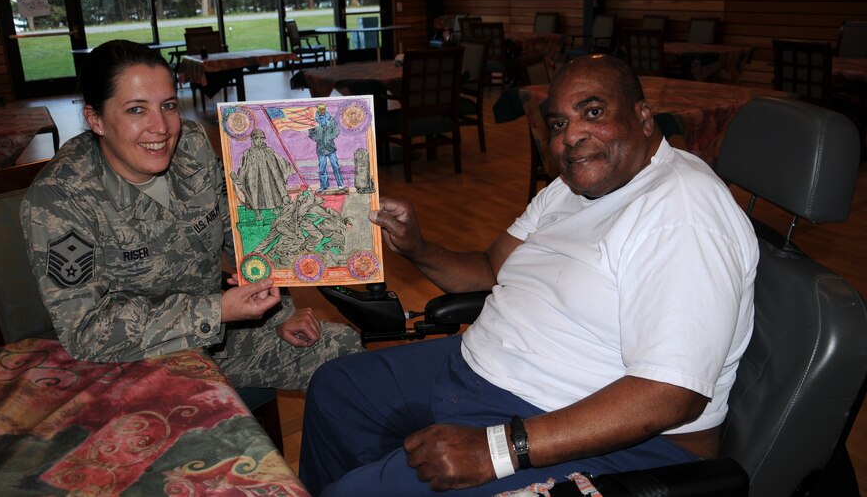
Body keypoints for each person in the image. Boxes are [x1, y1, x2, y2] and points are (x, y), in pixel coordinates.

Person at [298, 54, 759, 496]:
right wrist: (418, 248)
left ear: (643, 117)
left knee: (358, 492)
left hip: (604, 433)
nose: (570, 138)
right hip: (484, 367)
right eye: (558, 123)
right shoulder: (572, 184)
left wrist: (500, 448)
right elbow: (489, 270)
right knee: (337, 390)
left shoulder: (683, 212)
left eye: (592, 112)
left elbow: (671, 394)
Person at [21, 40, 362, 392]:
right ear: (97, 119)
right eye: (136, 110)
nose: (162, 128)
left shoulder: (192, 146)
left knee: (345, 356)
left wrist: (280, 311)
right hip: (134, 363)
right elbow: (86, 331)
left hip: (223, 337)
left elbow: (240, 231)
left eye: (168, 105)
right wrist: (216, 311)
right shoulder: (60, 198)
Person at [230, 128, 294, 221]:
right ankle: (257, 213)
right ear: (253, 140)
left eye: (261, 138)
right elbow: (243, 167)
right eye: (257, 138)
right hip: (254, 178)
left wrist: (287, 166)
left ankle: (274, 208)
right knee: (255, 193)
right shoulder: (248, 153)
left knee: (271, 190)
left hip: (268, 176)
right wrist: (241, 178)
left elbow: (278, 161)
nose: (259, 140)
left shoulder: (268, 150)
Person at [308, 103, 344, 192]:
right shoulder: (314, 121)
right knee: (322, 169)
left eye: (323, 109)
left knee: (335, 166)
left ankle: (340, 184)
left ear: (325, 109)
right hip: (321, 149)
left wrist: (328, 138)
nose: (322, 110)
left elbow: (336, 131)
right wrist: (318, 139)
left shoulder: (331, 120)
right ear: (317, 109)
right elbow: (311, 133)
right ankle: (324, 186)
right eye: (320, 109)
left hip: (331, 148)